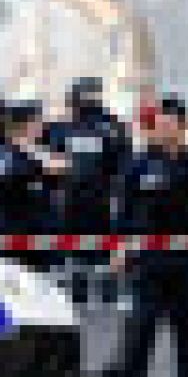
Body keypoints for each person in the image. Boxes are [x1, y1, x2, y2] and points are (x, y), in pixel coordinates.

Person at [86, 97, 188, 377]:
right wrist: (118, 247)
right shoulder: (139, 165)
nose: (162, 129)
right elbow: (123, 210)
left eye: (168, 124)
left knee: (187, 327)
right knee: (141, 324)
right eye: (159, 124)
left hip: (187, 260)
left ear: (182, 126)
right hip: (148, 259)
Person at [45, 78, 131, 302]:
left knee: (86, 250)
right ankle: (98, 294)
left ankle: (89, 293)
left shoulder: (65, 128)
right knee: (92, 250)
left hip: (82, 199)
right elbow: (123, 164)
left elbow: (52, 162)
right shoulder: (111, 126)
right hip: (93, 198)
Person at [0, 102, 63, 271]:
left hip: (39, 237)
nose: (42, 128)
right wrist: (38, 165)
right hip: (7, 237)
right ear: (24, 125)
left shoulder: (40, 152)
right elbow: (4, 178)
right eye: (37, 122)